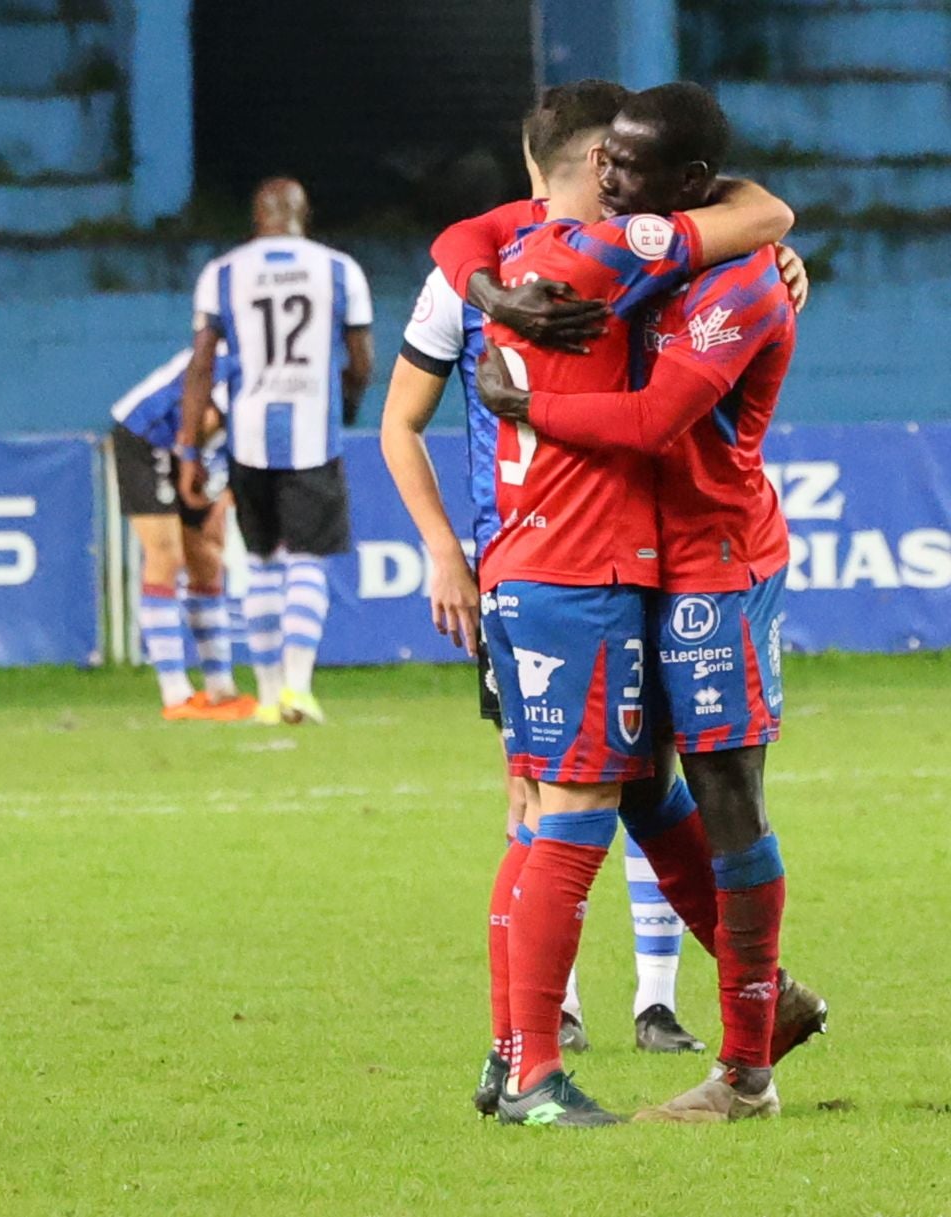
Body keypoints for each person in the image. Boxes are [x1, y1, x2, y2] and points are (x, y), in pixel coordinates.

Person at [473, 82, 820, 1122]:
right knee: (626, 784)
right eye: (603, 160)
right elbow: (472, 238)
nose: (608, 179)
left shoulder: (739, 282)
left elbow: (660, 417)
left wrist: (527, 399)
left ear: (690, 189)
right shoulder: (634, 249)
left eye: (629, 167)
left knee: (725, 798)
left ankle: (744, 1071)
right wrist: (493, 294)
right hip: (621, 562)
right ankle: (760, 1000)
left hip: (716, 559)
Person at [379, 84, 707, 1124]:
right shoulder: (615, 253)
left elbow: (457, 241)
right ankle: (533, 1061)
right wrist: (443, 550)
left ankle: (532, 1043)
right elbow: (402, 421)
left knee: (576, 798)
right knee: (570, 803)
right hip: (571, 567)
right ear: (605, 156)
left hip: (540, 572)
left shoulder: (475, 263)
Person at [177, 178, 373, 726]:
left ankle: (265, 696)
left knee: (261, 564)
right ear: (303, 214)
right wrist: (350, 400)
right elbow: (361, 362)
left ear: (255, 216)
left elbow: (200, 368)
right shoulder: (339, 269)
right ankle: (297, 689)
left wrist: (188, 448)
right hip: (313, 435)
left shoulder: (221, 273)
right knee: (307, 561)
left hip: (248, 438)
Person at [108, 345, 256, 721]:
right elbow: (207, 419)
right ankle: (175, 693)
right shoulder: (238, 358)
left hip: (192, 448)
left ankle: (220, 689)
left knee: (208, 560)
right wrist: (219, 480)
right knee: (166, 555)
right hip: (148, 437)